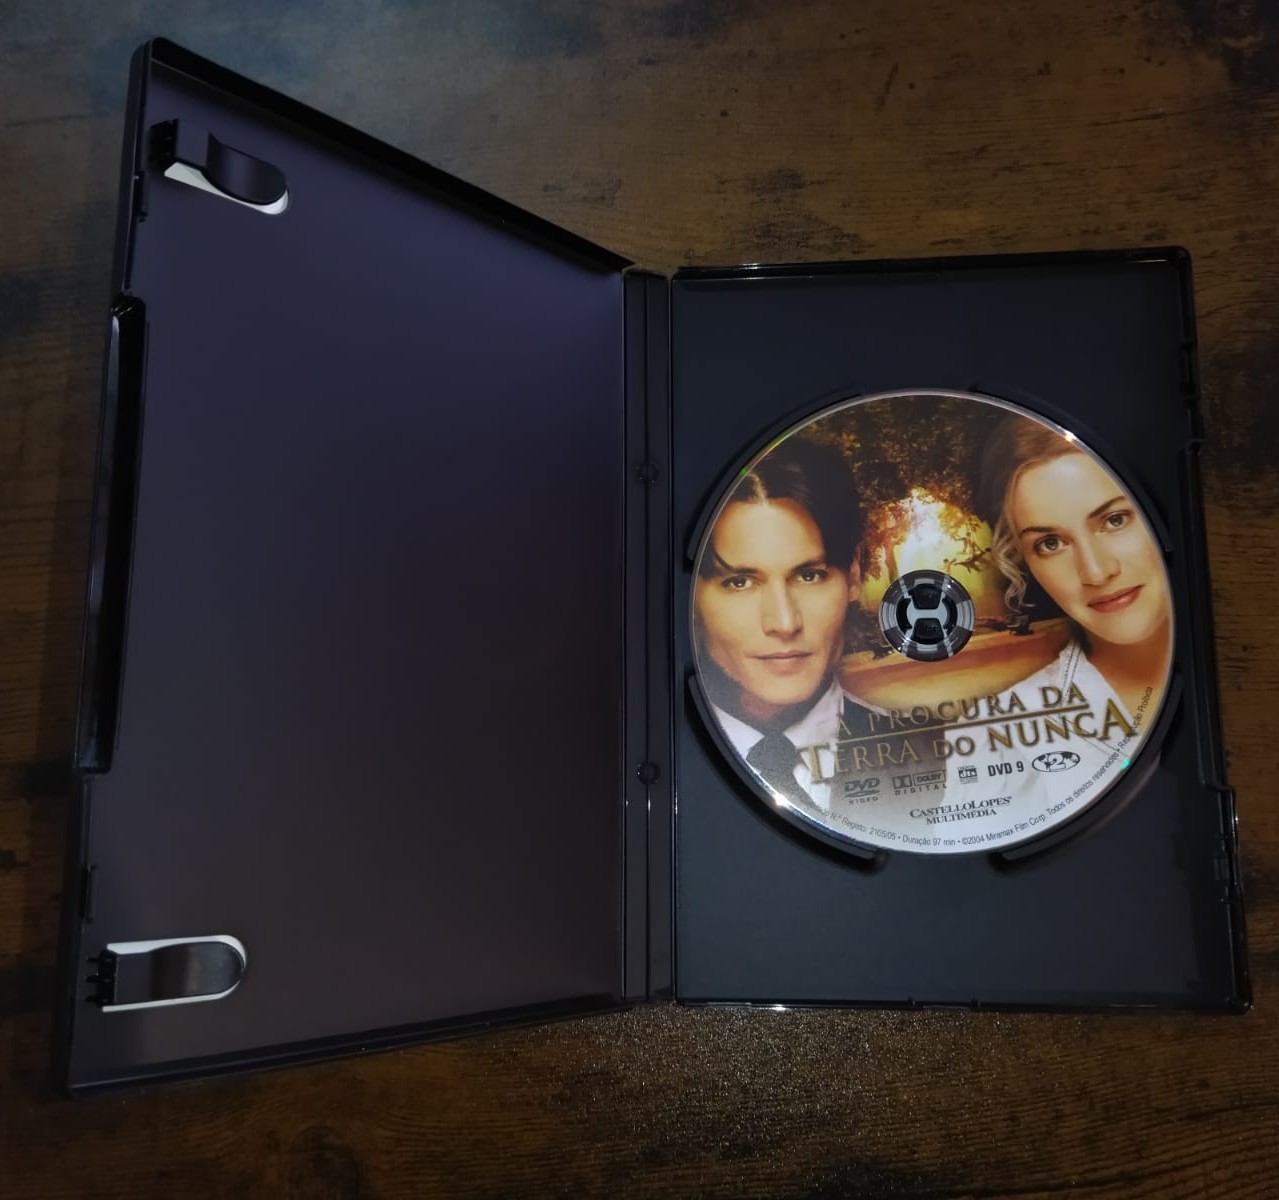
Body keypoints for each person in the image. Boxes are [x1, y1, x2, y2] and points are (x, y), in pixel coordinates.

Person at [693, 437, 909, 817]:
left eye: (809, 576)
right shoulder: (648, 759)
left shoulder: (942, 759)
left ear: (853, 575)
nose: (784, 622)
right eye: (740, 582)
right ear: (692, 596)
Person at [976, 414, 1172, 733]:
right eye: (1050, 543)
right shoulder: (991, 739)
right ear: (1021, 558)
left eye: (1115, 520)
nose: (1096, 572)